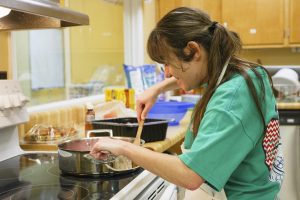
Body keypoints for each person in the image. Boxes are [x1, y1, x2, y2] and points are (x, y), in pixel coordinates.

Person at [90, 7, 284, 200]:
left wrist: (124, 148)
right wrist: (157, 89)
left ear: (193, 50)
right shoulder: (248, 73)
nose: (166, 72)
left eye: (167, 62)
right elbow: (201, 74)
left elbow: (190, 175)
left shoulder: (230, 100)